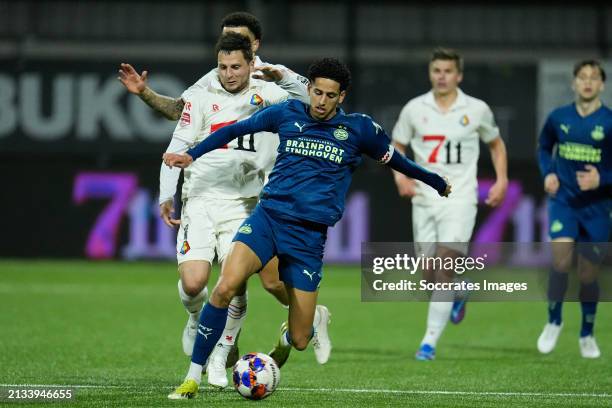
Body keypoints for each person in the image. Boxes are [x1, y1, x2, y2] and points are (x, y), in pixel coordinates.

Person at [163, 57, 451, 399]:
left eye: (330, 95)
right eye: (316, 92)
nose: (321, 101)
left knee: (301, 340)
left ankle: (288, 339)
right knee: (225, 286)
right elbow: (233, 130)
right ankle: (192, 377)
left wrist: (434, 181)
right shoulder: (287, 113)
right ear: (309, 89)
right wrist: (192, 155)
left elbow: (398, 161)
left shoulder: (359, 130)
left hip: (308, 239)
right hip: (267, 220)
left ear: (341, 96)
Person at [117, 12, 332, 384]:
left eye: (238, 45)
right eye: (224, 47)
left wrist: (286, 77)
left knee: (258, 280)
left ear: (254, 49)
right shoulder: (208, 85)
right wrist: (166, 192)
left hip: (255, 197)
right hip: (204, 194)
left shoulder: (272, 84)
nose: (229, 67)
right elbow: (180, 121)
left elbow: (317, 103)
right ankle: (217, 334)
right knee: (202, 284)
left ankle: (237, 350)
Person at [391, 47, 508, 361]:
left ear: (459, 75)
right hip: (424, 199)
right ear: (431, 73)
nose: (442, 76)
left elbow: (496, 145)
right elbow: (397, 145)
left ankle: (428, 343)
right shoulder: (415, 109)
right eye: (437, 70)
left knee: (443, 267)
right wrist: (400, 177)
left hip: (460, 199)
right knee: (429, 274)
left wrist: (501, 179)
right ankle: (458, 291)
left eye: (447, 71)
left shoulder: (477, 109)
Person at [536, 59, 611, 359]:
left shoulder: (608, 122)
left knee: (588, 274)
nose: (588, 82)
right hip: (564, 201)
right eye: (582, 77)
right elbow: (543, 147)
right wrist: (548, 173)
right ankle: (554, 320)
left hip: (598, 207)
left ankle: (587, 333)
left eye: (593, 77)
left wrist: (601, 179)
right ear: (574, 83)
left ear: (602, 85)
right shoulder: (559, 117)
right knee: (560, 261)